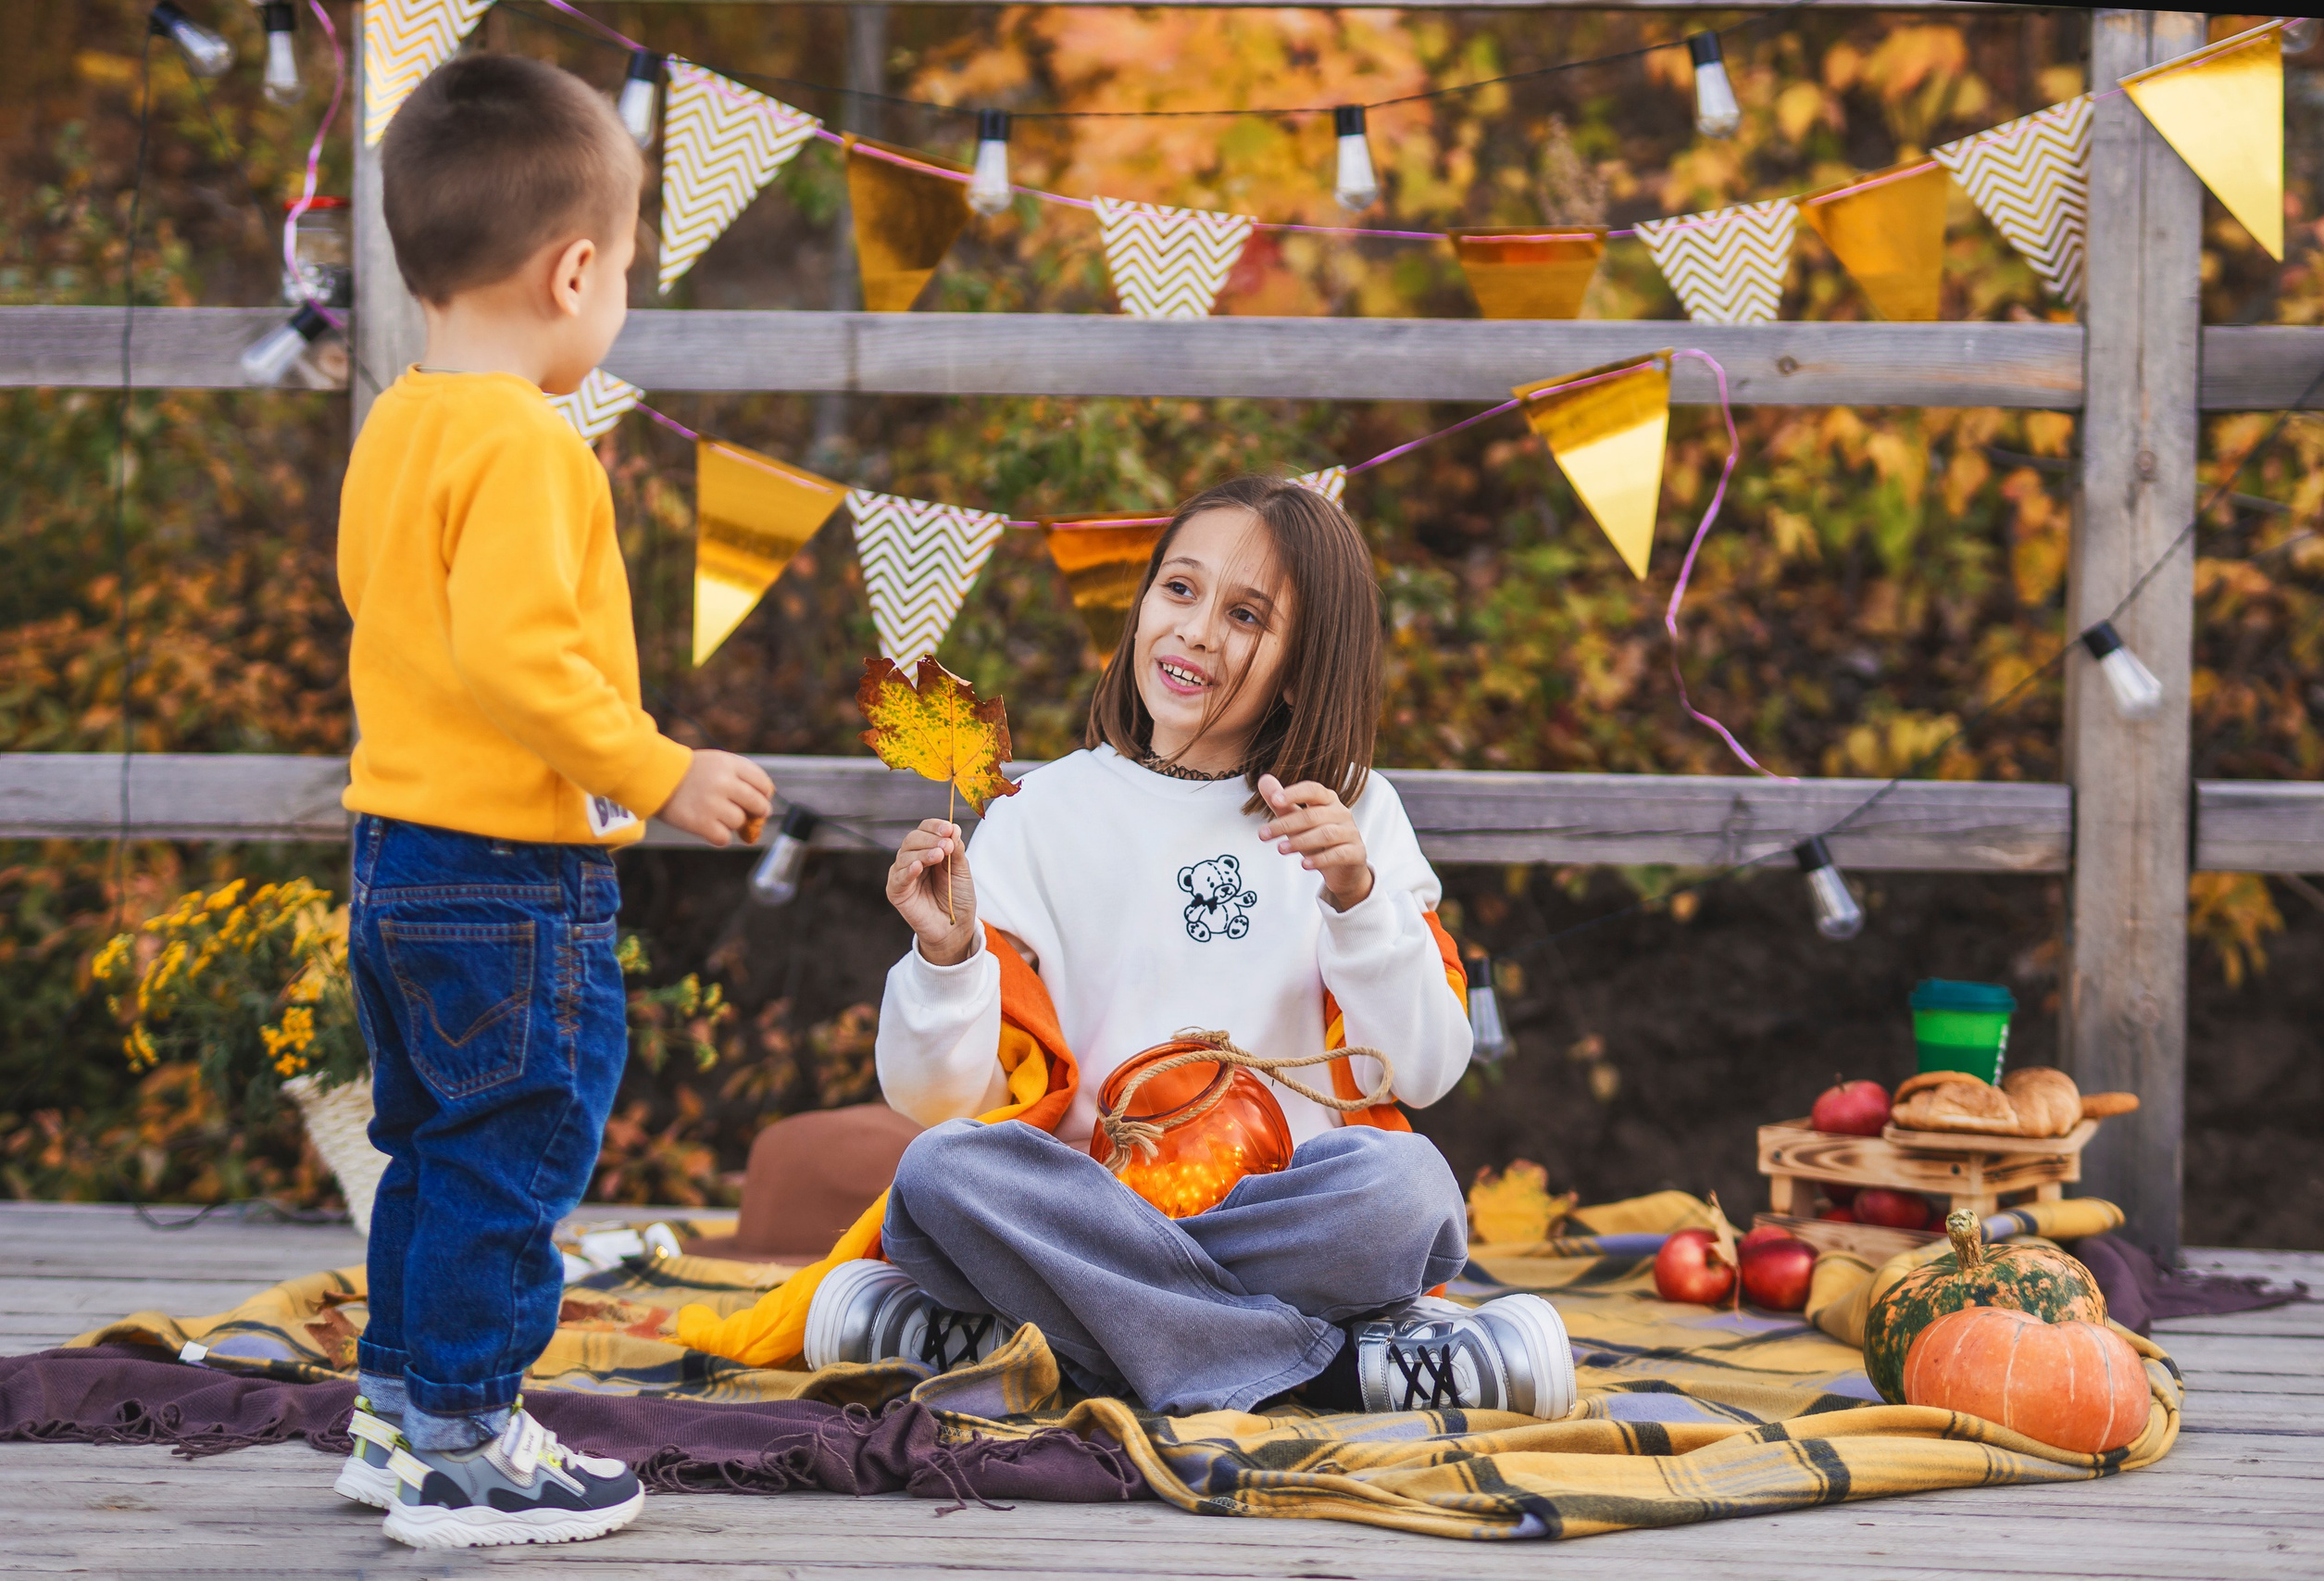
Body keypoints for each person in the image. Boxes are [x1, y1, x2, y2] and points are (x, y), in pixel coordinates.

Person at [806, 477, 1574, 1420]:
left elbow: (1423, 1072)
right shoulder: (1043, 813)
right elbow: (932, 1100)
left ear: (1300, 665)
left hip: (1276, 1216)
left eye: (1246, 614)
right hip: (1089, 1206)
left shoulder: (1353, 813)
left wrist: (1357, 897)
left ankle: (1017, 1341)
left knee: (1407, 1191)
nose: (1198, 630)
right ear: (1139, 607)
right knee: (939, 1176)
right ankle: (1337, 1372)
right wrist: (947, 958)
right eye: (1180, 589)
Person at [331, 55, 775, 1550]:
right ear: (574, 266)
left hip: (394, 855)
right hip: (504, 874)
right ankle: (463, 1444)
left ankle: (397, 1410)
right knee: (515, 1154)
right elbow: (519, 661)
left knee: (433, 1151)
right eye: (628, 274)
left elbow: (395, 626)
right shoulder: (527, 440)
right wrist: (661, 767)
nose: (621, 303)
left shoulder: (404, 420)